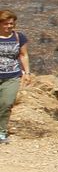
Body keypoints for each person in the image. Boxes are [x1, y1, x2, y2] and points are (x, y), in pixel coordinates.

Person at [0, 10, 31, 144]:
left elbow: (23, 55)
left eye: (11, 23)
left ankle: (1, 132)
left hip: (12, 76)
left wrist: (27, 72)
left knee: (6, 104)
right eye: (6, 23)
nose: (9, 26)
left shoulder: (19, 37)